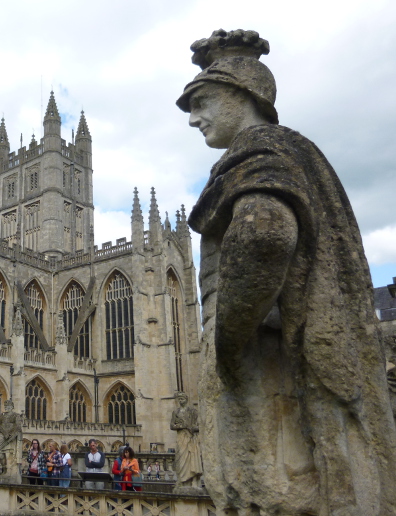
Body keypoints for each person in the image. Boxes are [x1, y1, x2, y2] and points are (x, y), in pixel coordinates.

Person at [176, 28, 396, 515]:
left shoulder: (260, 154)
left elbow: (264, 237)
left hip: (265, 361)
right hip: (279, 356)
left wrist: (227, 340)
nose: (193, 119)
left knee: (272, 494)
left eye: (202, 101)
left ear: (243, 95)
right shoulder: (300, 154)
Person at [169, 392, 202, 488]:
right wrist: (181, 426)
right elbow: (172, 425)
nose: (180, 401)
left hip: (191, 437)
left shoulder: (192, 411)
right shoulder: (176, 412)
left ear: (186, 399)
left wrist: (192, 428)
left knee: (192, 457)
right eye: (179, 399)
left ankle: (193, 481)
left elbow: (199, 426)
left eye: (182, 399)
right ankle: (182, 481)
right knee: (181, 458)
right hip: (181, 437)